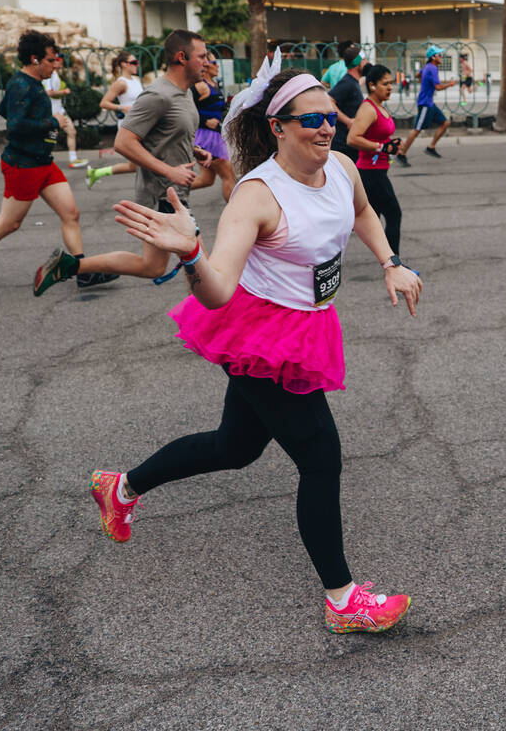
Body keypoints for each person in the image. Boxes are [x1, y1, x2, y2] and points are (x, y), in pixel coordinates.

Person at [96, 66, 423, 634]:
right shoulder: (257, 195)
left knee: (235, 447)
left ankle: (120, 487)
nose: (327, 129)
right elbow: (219, 290)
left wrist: (390, 263)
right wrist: (191, 255)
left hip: (306, 323)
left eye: (331, 119)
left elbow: (365, 214)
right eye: (313, 120)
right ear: (278, 127)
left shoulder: (342, 168)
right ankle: (343, 600)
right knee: (320, 457)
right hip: (260, 336)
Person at [33, 29, 213, 295]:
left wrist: (194, 149)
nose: (207, 61)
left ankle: (70, 265)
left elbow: (166, 134)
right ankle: (214, 325)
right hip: (162, 196)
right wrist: (170, 172)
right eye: (202, 56)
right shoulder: (158, 96)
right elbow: (123, 142)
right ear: (181, 57)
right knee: (203, 267)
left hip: (170, 192)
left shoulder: (184, 92)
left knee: (152, 267)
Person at [0, 30, 117, 299]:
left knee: (70, 213)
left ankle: (82, 272)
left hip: (44, 163)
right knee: (9, 223)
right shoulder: (22, 84)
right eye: (51, 59)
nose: (56, 63)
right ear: (36, 59)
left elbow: (5, 109)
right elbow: (14, 125)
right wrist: (52, 124)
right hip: (23, 165)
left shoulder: (32, 83)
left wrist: (49, 132)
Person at [349, 64, 405, 255]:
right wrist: (382, 147)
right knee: (394, 214)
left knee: (367, 217)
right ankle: (394, 262)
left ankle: (387, 258)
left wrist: (391, 145)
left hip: (377, 170)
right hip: (370, 173)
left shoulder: (379, 106)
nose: (390, 87)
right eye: (385, 84)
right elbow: (353, 138)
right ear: (372, 85)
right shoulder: (368, 108)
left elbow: (378, 136)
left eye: (391, 83)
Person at [87, 51, 144, 189]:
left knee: (135, 166)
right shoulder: (121, 83)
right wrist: (122, 107)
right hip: (128, 125)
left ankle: (97, 172)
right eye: (134, 62)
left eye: (137, 62)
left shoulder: (135, 80)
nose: (137, 65)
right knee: (144, 164)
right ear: (124, 64)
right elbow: (104, 103)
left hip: (140, 123)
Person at [396, 45, 455, 166]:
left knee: (445, 123)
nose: (441, 57)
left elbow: (418, 75)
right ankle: (401, 153)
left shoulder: (427, 67)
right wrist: (450, 84)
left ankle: (431, 147)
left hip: (430, 103)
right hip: (425, 104)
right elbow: (438, 87)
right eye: (439, 55)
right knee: (417, 129)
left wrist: (423, 82)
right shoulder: (432, 68)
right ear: (433, 57)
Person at [188, 53, 236, 201]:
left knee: (206, 180)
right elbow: (184, 108)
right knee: (228, 174)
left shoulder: (215, 84)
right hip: (205, 137)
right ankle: (236, 212)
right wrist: (204, 120)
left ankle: (167, 192)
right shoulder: (200, 86)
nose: (217, 65)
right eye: (214, 62)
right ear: (206, 64)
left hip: (215, 135)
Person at [42, 52, 87, 169]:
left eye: (61, 59)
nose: (60, 61)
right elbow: (48, 92)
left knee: (71, 132)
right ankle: (43, 160)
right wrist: (63, 92)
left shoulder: (54, 74)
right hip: (53, 113)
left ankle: (73, 159)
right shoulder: (50, 75)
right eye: (57, 59)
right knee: (51, 138)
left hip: (60, 111)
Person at [327, 46, 366, 163]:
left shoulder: (353, 82)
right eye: (364, 60)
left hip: (349, 144)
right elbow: (329, 101)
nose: (367, 63)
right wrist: (348, 121)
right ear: (357, 63)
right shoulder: (348, 82)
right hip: (343, 145)